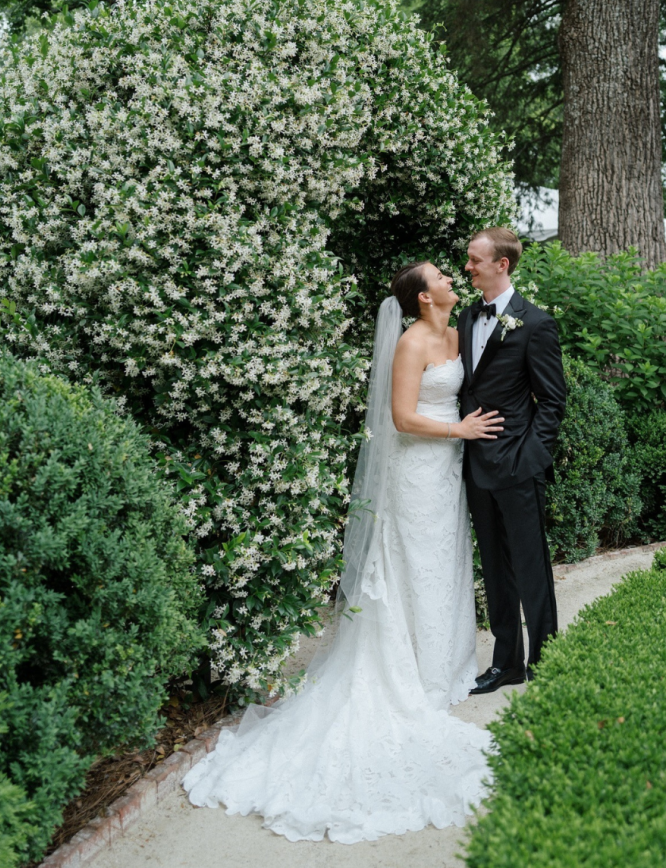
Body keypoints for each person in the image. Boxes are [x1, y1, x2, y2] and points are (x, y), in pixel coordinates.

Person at [182, 260, 502, 843]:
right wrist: (458, 430)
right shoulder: (411, 343)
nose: (452, 280)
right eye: (441, 278)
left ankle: (446, 664)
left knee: (445, 563)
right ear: (423, 297)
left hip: (448, 471)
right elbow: (401, 418)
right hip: (416, 468)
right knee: (414, 564)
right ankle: (413, 672)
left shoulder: (459, 333)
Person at [459, 227, 567, 696]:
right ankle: (507, 664)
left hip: (518, 467)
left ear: (501, 264)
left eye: (475, 260)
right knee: (495, 570)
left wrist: (529, 457)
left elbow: (553, 401)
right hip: (475, 467)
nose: (468, 267)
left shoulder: (536, 323)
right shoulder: (466, 317)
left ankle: (546, 661)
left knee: (531, 568)